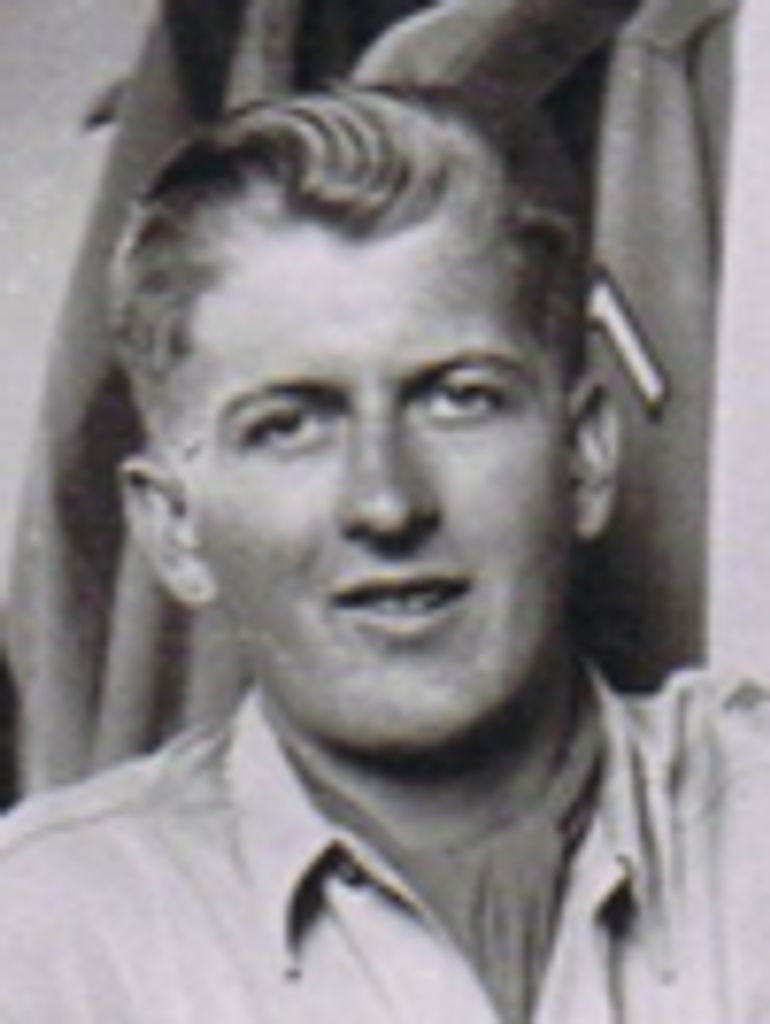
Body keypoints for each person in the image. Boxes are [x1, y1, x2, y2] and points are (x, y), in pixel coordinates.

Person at [0, 86, 768, 1023]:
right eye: (289, 427)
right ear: (174, 527)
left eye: (459, 399)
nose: (388, 502)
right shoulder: (44, 938)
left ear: (586, 456)